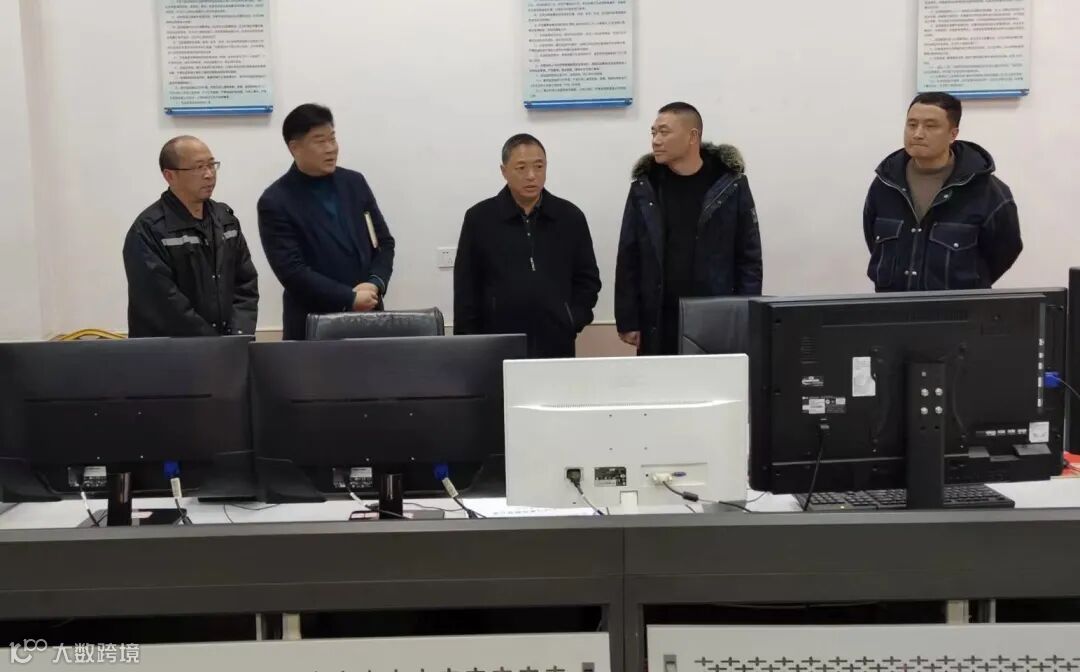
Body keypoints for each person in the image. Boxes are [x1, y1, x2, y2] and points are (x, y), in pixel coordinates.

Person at [615, 102, 763, 355]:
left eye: (664, 132)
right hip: (658, 317)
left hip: (714, 315)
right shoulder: (646, 187)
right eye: (653, 132)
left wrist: (745, 314)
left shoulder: (730, 186)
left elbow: (748, 258)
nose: (656, 141)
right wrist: (628, 319)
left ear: (693, 136)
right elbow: (629, 255)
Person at [453, 134, 601, 358]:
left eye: (539, 166)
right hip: (496, 343)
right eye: (521, 168)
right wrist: (468, 341)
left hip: (556, 341)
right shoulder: (480, 218)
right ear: (504, 171)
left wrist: (572, 319)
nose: (531, 176)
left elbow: (588, 279)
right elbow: (466, 286)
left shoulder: (569, 217)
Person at [258, 104, 396, 340]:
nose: (331, 148)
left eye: (332, 138)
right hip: (313, 324)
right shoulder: (276, 201)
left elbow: (383, 243)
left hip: (368, 316)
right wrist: (349, 298)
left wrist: (374, 284)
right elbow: (292, 271)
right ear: (295, 147)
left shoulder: (354, 183)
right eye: (320, 141)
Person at [864, 92, 1022, 292]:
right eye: (912, 124)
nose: (917, 134)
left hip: (959, 308)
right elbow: (874, 241)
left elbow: (1005, 251)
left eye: (930, 126)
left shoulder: (987, 191)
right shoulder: (886, 183)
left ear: (953, 134)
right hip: (893, 305)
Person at [123, 135, 258, 337]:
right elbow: (162, 303)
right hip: (173, 349)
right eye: (198, 167)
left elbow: (245, 284)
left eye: (212, 165)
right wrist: (210, 343)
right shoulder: (148, 230)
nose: (209, 174)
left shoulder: (226, 221)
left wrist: (238, 335)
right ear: (170, 176)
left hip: (228, 346)